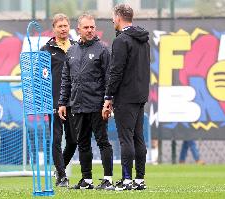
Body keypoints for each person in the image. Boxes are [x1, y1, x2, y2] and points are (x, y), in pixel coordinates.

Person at [58, 13, 114, 190]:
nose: (90, 30)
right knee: (82, 143)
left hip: (97, 105)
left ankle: (108, 179)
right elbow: (66, 80)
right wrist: (62, 103)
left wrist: (108, 100)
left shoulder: (103, 50)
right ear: (78, 30)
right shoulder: (71, 51)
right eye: (86, 27)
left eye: (92, 27)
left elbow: (109, 79)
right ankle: (87, 180)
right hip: (77, 105)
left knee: (102, 141)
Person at [103, 4, 150, 191]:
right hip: (140, 95)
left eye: (113, 17)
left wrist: (108, 96)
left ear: (119, 17)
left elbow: (116, 71)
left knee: (125, 139)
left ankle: (126, 180)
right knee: (139, 138)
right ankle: (139, 180)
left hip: (126, 97)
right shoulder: (144, 39)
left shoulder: (121, 40)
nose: (113, 21)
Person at [40, 13, 77, 187]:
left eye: (65, 26)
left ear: (69, 27)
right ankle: (62, 176)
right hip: (54, 101)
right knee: (56, 139)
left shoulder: (77, 47)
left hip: (74, 101)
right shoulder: (46, 50)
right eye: (59, 26)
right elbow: (40, 77)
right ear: (54, 28)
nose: (63, 29)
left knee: (73, 140)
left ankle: (59, 168)